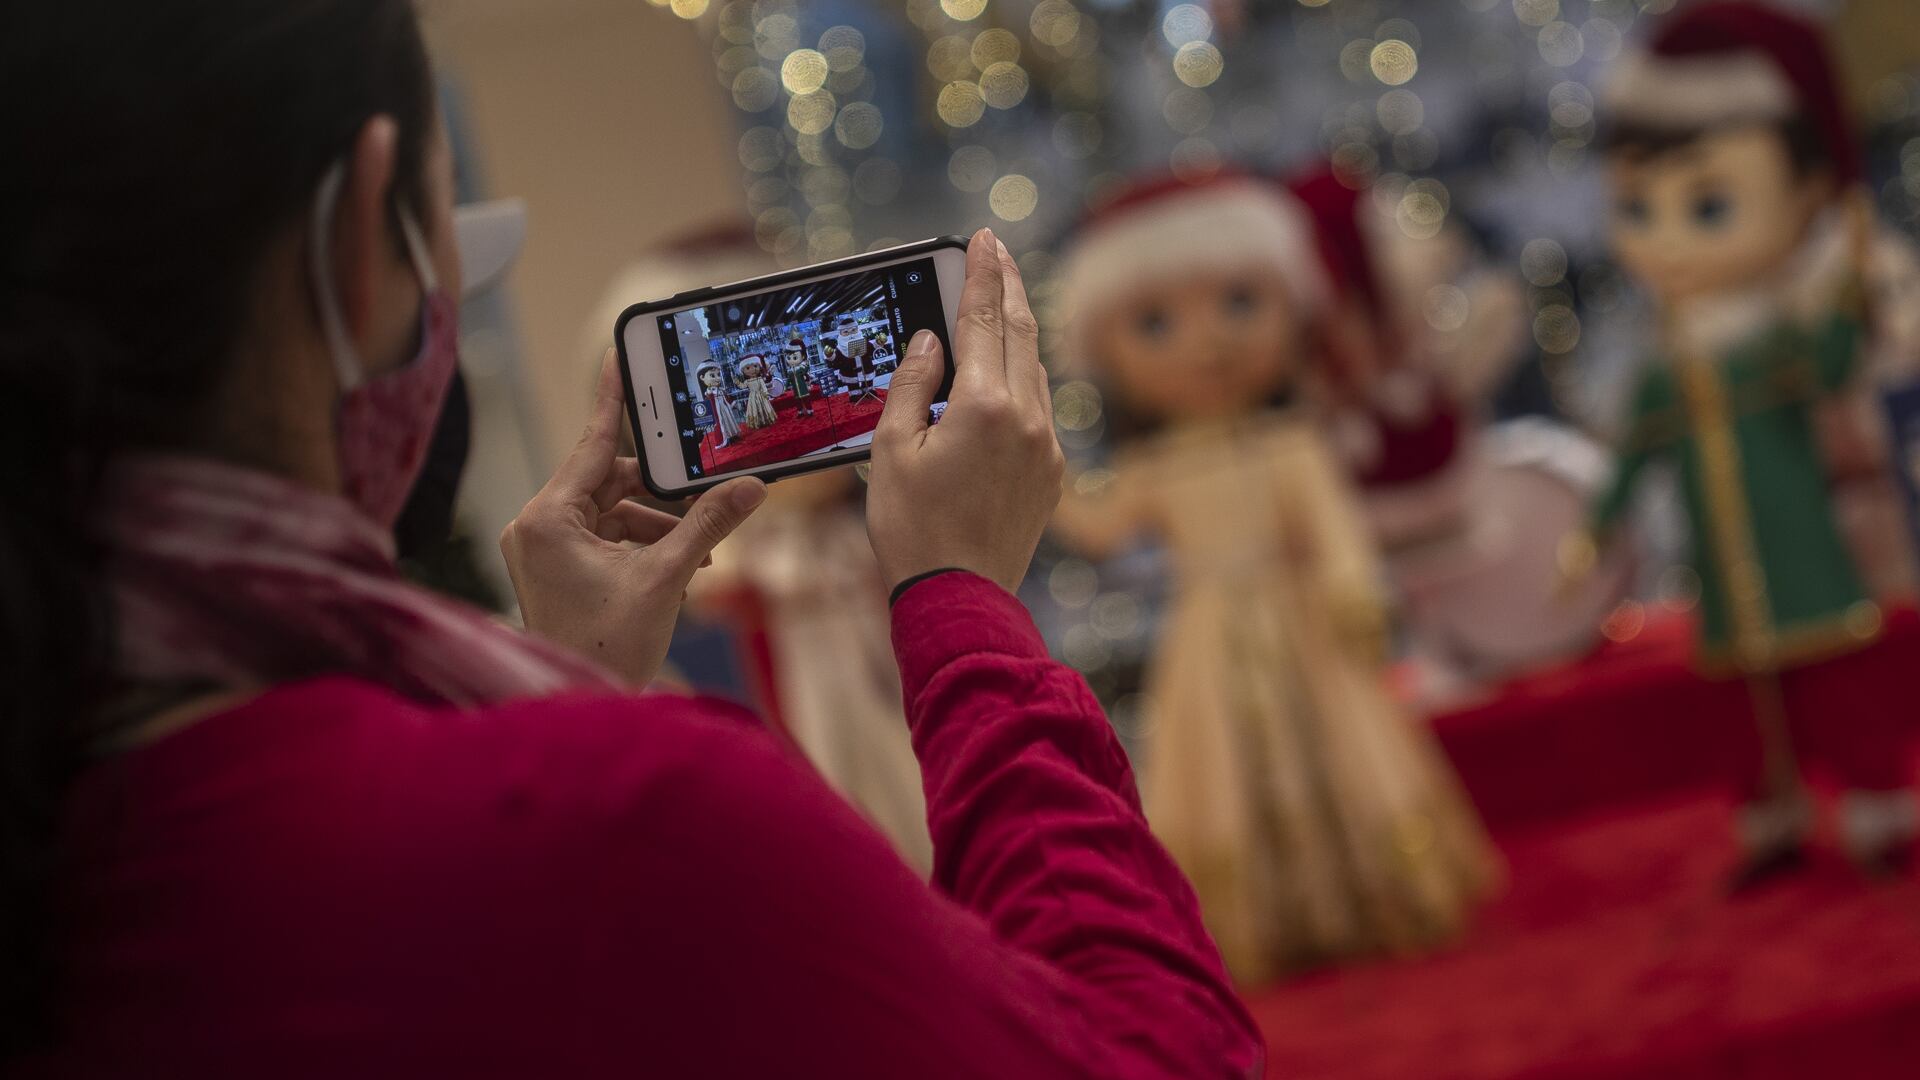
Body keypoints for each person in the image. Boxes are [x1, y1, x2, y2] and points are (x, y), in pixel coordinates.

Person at [0, 3, 1258, 1077]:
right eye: (458, 228)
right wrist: (961, 602)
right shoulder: (624, 825)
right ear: (357, 234)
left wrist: (571, 686)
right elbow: (1155, 1053)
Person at [1048, 172, 1496, 985]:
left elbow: (1335, 530)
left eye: (1241, 303)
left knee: (1343, 748)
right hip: (1212, 627)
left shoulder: (1292, 447)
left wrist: (1354, 583)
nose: (1206, 342)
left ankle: (1370, 899)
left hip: (1302, 620)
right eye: (1155, 322)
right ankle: (1261, 926)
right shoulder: (1155, 469)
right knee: (1221, 769)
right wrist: (1039, 476)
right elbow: (1101, 530)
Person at [1569, 0, 1918, 882]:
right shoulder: (1669, 368)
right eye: (1638, 207)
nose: (1668, 241)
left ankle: (1878, 810)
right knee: (1744, 711)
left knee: (1839, 691)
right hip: (1724, 576)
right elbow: (1633, 456)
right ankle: (1772, 823)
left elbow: (1834, 362)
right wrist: (1593, 529)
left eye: (1709, 204)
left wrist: (1842, 280)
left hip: (1808, 557)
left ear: (1801, 191)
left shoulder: (1778, 342)